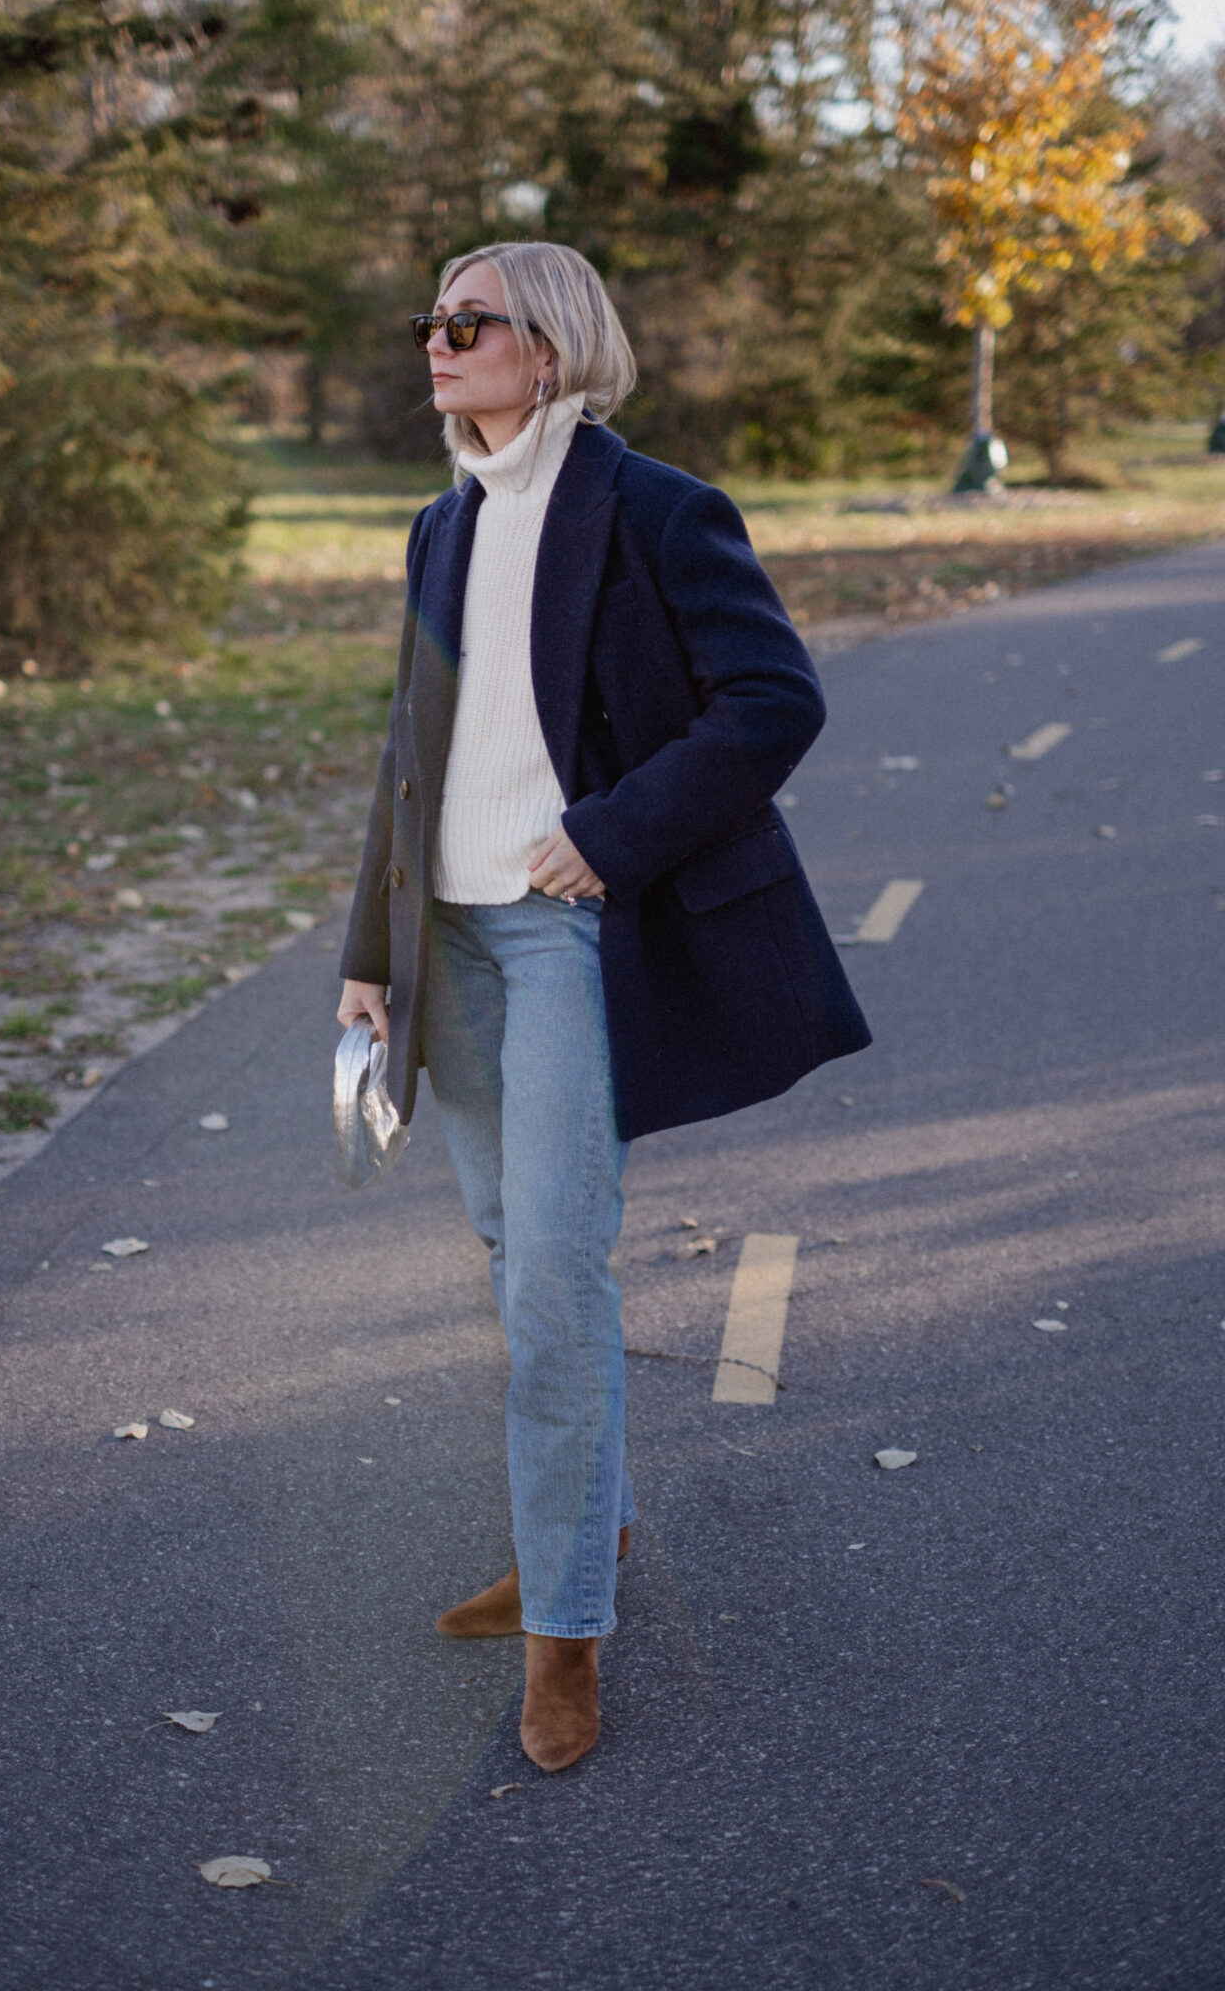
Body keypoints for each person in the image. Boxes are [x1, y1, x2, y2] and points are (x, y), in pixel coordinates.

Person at [338, 240, 869, 1772]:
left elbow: (775, 701)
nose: (434, 345)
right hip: (452, 941)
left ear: (550, 348)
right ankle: (591, 1529)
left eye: (466, 322)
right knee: (518, 1259)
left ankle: (566, 1633)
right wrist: (369, 947)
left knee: (560, 1280)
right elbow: (410, 749)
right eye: (428, 322)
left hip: (573, 935)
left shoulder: (652, 509)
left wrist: (611, 833)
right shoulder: (440, 527)